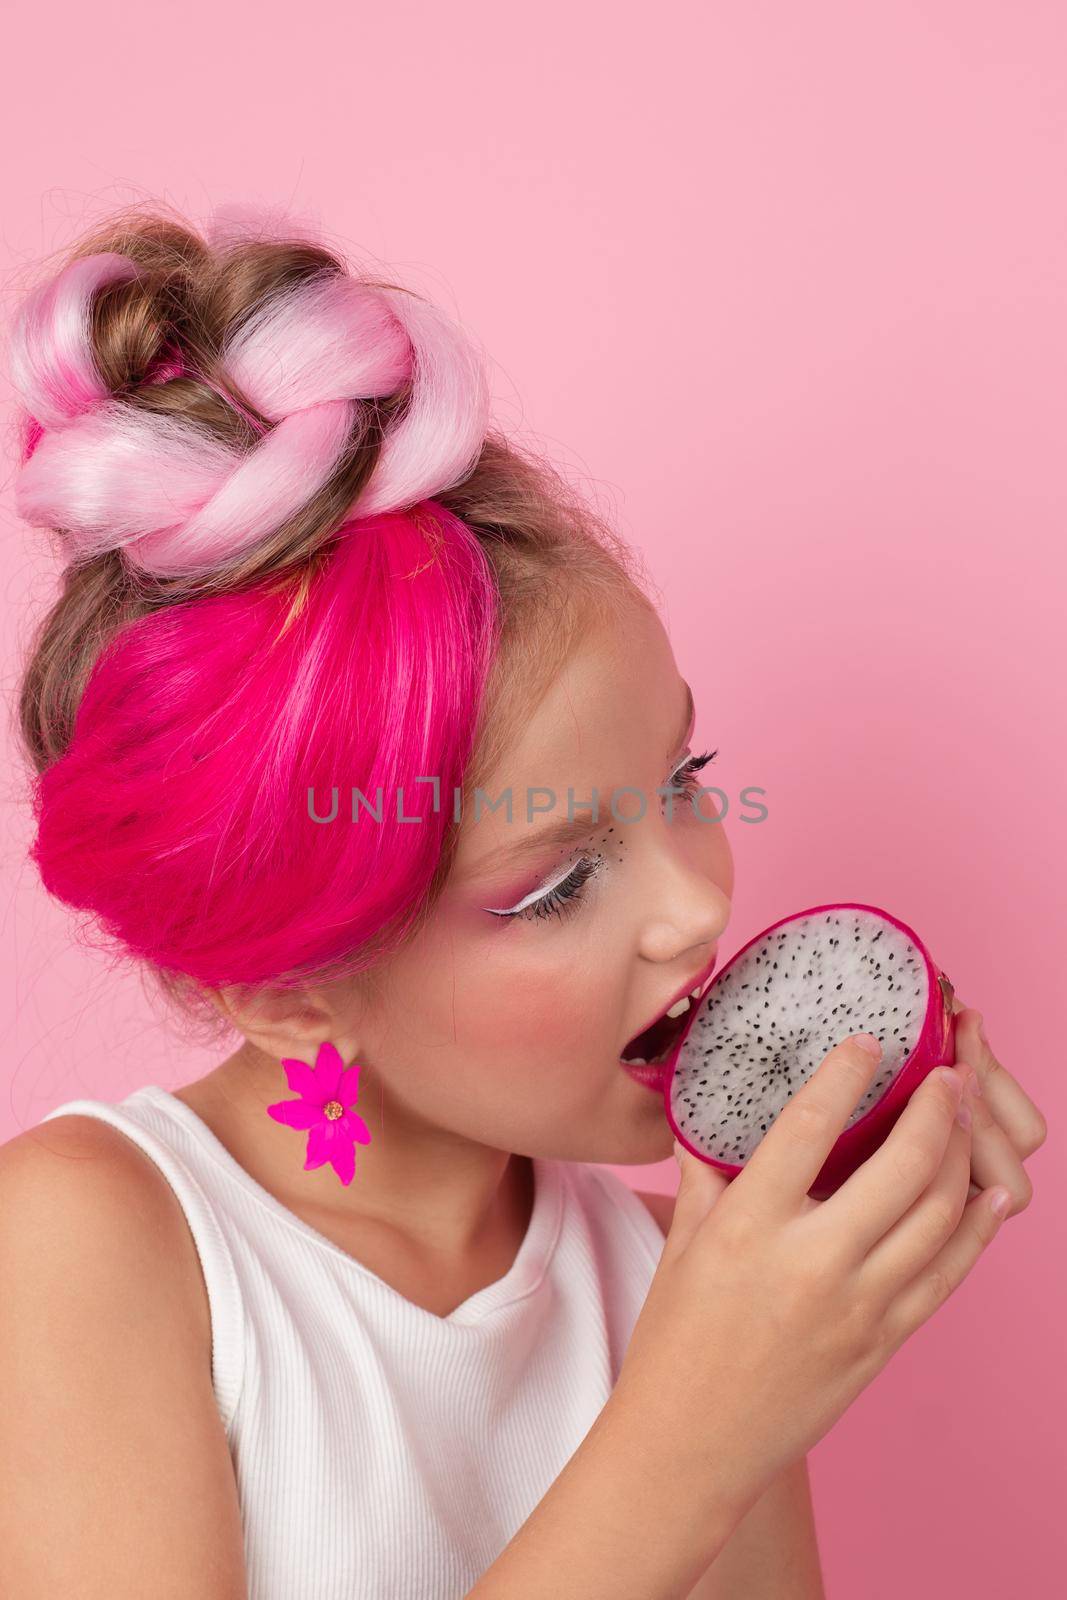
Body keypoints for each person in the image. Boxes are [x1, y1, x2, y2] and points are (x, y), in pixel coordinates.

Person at [0, 202, 1046, 1600]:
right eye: (557, 884)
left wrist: (779, 1314)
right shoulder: (87, 1247)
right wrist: (694, 1433)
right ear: (288, 988)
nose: (692, 911)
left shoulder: (680, 1279)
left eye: (686, 777)